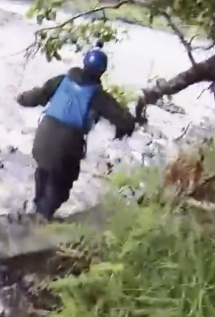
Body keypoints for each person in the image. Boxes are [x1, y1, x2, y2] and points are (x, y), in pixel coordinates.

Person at [16, 46, 138, 219]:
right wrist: (132, 124)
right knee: (62, 185)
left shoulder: (61, 80)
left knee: (44, 172)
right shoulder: (98, 96)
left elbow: (37, 96)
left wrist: (20, 97)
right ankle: (42, 218)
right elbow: (124, 120)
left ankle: (37, 210)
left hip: (43, 136)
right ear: (102, 72)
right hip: (68, 143)